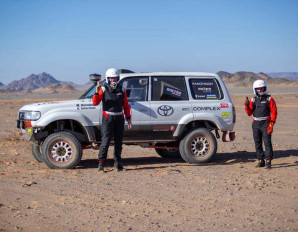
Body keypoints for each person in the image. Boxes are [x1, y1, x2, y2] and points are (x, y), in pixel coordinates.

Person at [93, 68, 132, 172]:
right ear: (107, 79)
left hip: (119, 118)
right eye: (111, 79)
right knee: (105, 141)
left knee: (119, 141)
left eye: (115, 78)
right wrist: (97, 91)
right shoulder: (103, 89)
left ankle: (117, 163)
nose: (113, 80)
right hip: (108, 118)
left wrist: (128, 118)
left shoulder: (122, 89)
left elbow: (126, 105)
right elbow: (95, 102)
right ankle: (101, 164)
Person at [244, 80, 277, 169]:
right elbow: (249, 113)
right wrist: (247, 106)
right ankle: (260, 160)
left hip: (266, 123)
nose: (259, 90)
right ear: (255, 89)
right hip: (255, 124)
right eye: (257, 89)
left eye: (261, 88)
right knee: (257, 143)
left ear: (264, 88)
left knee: (267, 142)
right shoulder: (253, 100)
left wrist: (272, 123)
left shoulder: (269, 99)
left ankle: (268, 161)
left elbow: (274, 112)